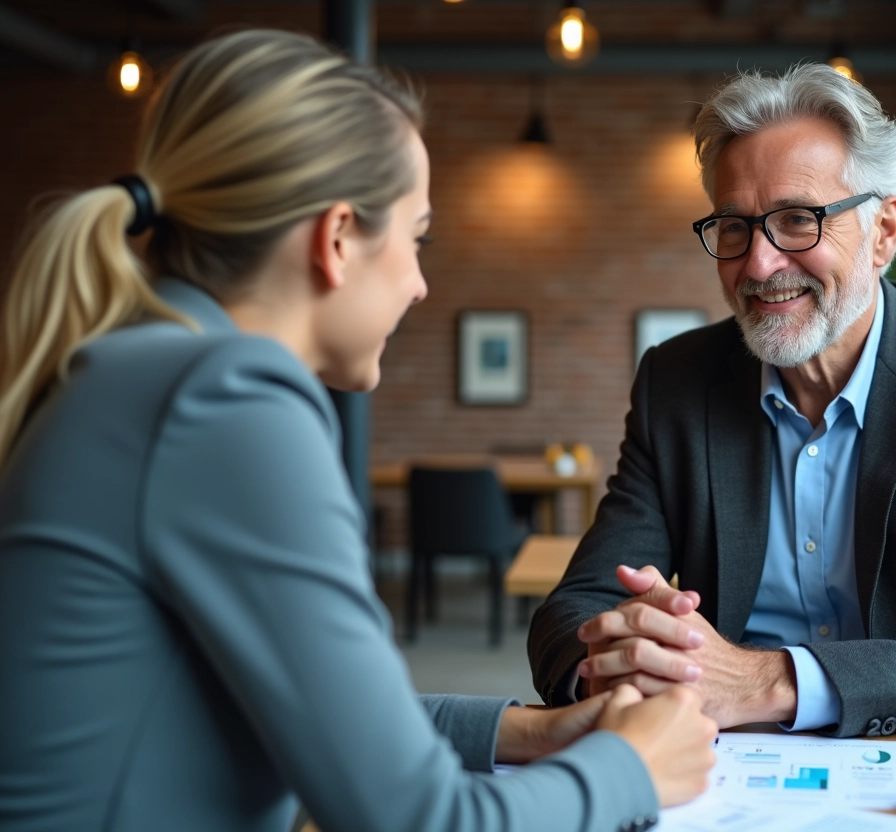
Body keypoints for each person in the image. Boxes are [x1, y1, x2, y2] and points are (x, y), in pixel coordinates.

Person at [0, 29, 717, 832]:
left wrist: (538, 731)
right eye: (417, 240)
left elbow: (332, 716)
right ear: (337, 239)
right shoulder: (223, 400)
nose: (418, 286)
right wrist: (630, 770)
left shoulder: (146, 371)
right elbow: (416, 819)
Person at [528, 63, 896, 738]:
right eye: (734, 228)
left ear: (884, 231)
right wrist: (627, 655)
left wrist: (771, 681)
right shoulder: (676, 382)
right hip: (724, 767)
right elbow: (575, 612)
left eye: (798, 220)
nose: (760, 264)